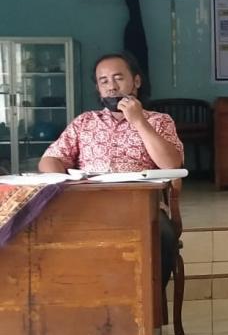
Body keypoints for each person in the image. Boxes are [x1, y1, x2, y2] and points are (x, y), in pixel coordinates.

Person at [39, 52, 183, 289]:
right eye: (103, 81)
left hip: (143, 208)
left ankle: (150, 303)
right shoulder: (84, 122)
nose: (112, 87)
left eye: (118, 78)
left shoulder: (159, 121)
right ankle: (84, 297)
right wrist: (62, 180)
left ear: (136, 81)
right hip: (88, 206)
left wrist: (138, 121)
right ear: (98, 88)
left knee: (163, 237)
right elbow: (50, 159)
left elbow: (171, 164)